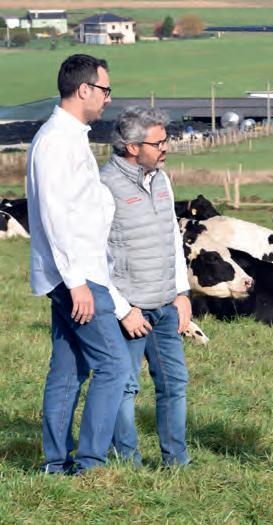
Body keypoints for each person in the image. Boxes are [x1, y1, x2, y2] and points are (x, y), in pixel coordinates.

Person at [27, 54, 131, 474]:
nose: (109, 98)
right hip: (78, 275)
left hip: (79, 272)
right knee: (114, 365)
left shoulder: (70, 137)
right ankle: (89, 463)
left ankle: (57, 463)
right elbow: (55, 215)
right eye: (105, 89)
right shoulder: (56, 141)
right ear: (84, 89)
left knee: (68, 370)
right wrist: (76, 282)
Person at [100, 106, 192, 466]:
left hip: (166, 305)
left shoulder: (162, 180)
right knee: (125, 387)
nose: (165, 148)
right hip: (130, 309)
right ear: (132, 147)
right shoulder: (105, 185)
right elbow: (95, 254)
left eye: (166, 140)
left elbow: (172, 238)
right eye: (158, 143)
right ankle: (127, 463)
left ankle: (177, 462)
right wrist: (123, 309)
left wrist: (182, 293)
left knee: (174, 383)